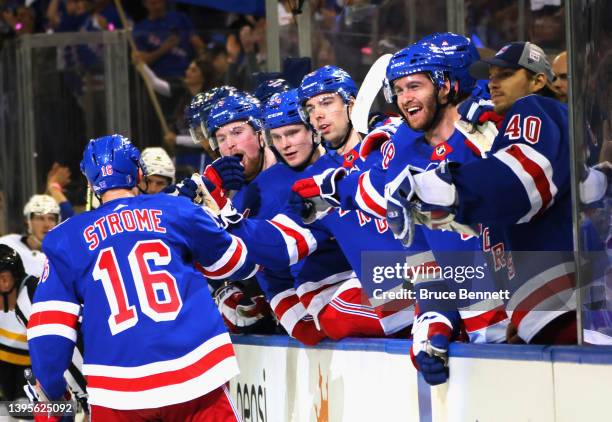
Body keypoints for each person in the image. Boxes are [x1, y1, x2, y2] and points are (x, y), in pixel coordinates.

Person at [27, 134, 258, 420]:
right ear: (138, 173)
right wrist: (219, 216)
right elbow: (239, 265)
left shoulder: (65, 238)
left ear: (90, 184)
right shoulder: (178, 209)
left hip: (118, 389)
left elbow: (48, 331)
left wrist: (51, 390)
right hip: (197, 373)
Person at [389, 41, 576, 345]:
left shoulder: (535, 108)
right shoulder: (499, 133)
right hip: (540, 318)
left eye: (506, 74)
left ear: (538, 80)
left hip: (564, 310)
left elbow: (520, 181)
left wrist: (439, 187)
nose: (493, 83)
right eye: (491, 75)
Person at [0, 194, 60, 278]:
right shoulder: (7, 244)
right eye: (40, 218)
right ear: (28, 222)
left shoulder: (64, 256)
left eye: (51, 219)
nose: (47, 224)